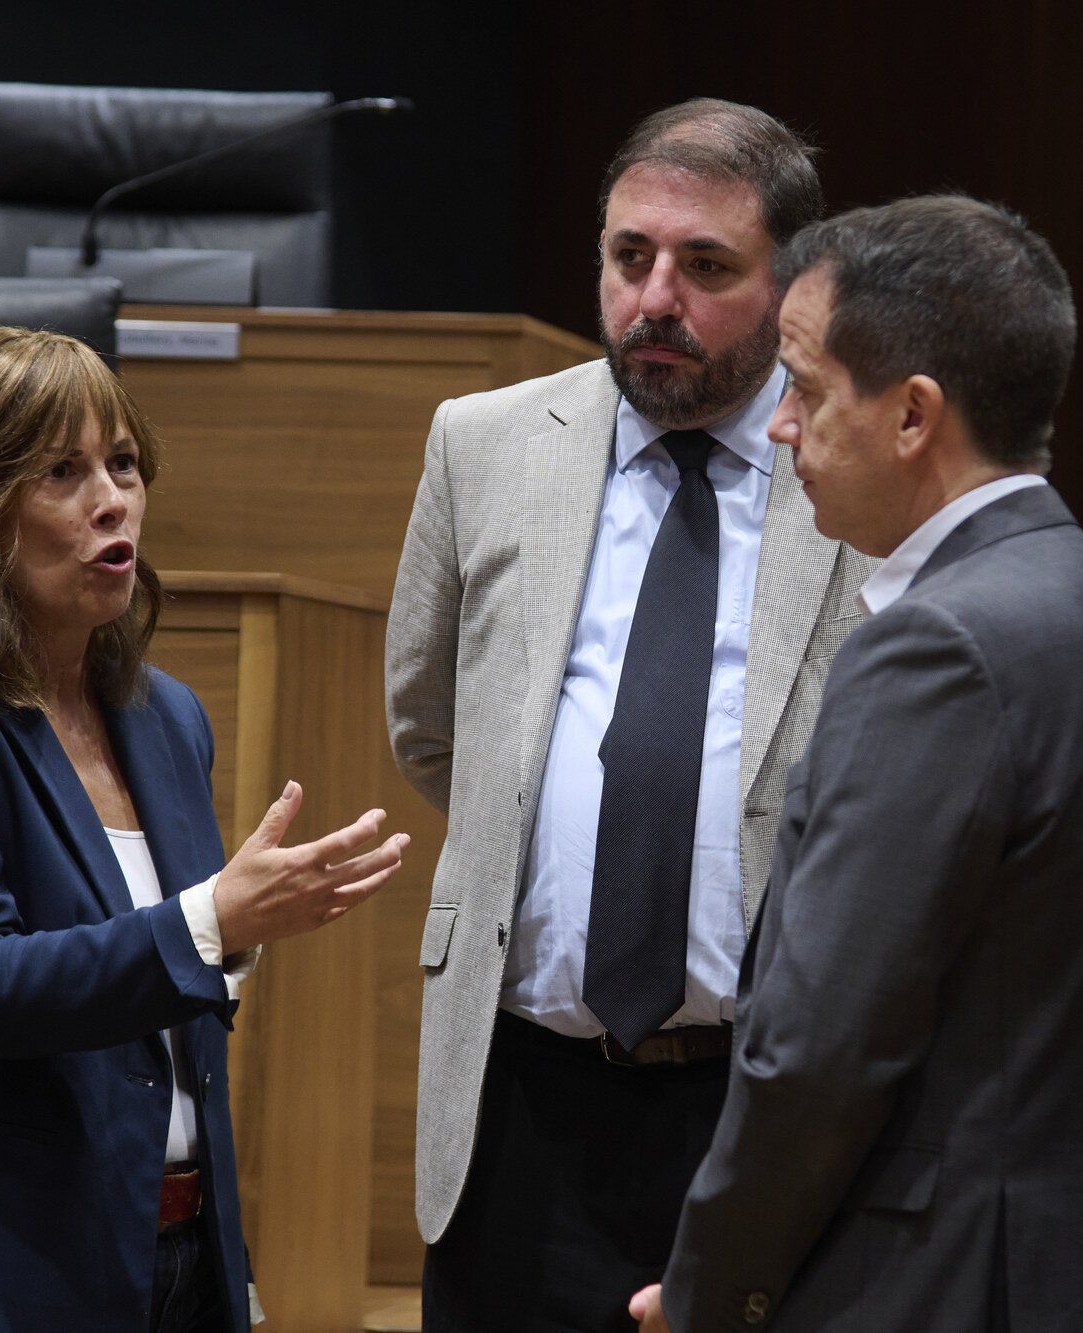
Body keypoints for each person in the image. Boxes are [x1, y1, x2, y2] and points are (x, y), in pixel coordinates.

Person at [632, 196, 1083, 1332]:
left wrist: (708, 1295)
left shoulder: (935, 647)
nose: (780, 426)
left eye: (800, 385)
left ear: (910, 416)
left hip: (927, 1286)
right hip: (1073, 1274)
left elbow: (816, 1053)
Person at [387, 99, 876, 1332]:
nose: (654, 299)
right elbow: (431, 723)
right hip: (516, 1103)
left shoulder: (860, 476)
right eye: (627, 258)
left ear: (792, 284)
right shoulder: (484, 444)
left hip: (756, 1107)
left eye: (705, 267)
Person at [0, 325, 407, 1333]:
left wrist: (234, 933)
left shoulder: (163, 714)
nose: (113, 500)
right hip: (20, 1266)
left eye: (124, 463)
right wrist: (210, 924)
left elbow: (168, 1007)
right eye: (61, 471)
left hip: (192, 1257)